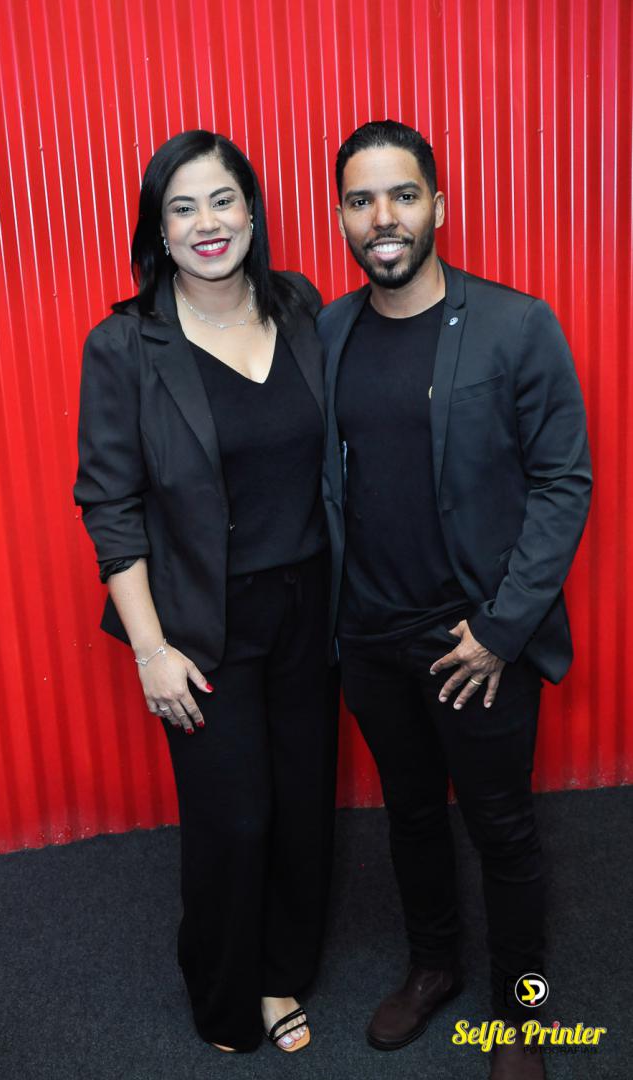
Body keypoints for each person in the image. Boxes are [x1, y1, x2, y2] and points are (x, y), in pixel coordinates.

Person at [318, 120, 591, 1079]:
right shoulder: (328, 332)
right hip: (369, 638)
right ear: (340, 216)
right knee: (410, 816)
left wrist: (502, 629)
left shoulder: (517, 326)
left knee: (502, 830)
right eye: (360, 200)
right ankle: (433, 965)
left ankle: (523, 1013)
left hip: (475, 642)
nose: (382, 218)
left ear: (437, 203)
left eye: (401, 195)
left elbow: (563, 483)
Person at [74, 130, 338, 1054]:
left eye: (221, 200)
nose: (206, 223)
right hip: (199, 621)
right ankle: (224, 997)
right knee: (233, 820)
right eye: (180, 208)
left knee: (302, 806)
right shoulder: (124, 343)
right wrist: (151, 650)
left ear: (252, 212)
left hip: (311, 606)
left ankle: (280, 974)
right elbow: (110, 504)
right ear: (159, 229)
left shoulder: (299, 306)